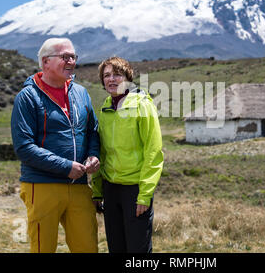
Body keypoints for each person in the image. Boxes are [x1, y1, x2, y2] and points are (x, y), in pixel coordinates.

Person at [11, 38, 100, 253]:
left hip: (78, 186)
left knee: (88, 247)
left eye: (73, 57)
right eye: (64, 57)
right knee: (44, 248)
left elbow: (92, 131)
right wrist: (65, 167)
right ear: (45, 62)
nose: (71, 62)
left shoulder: (81, 93)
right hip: (41, 185)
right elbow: (24, 147)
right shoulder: (27, 97)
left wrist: (93, 155)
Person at [91, 56, 164, 253]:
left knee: (137, 251)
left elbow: (153, 151)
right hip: (110, 189)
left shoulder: (142, 105)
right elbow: (102, 152)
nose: (111, 79)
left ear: (128, 78)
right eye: (106, 75)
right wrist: (97, 189)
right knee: (116, 248)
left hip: (135, 189)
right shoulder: (106, 107)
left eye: (117, 74)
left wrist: (145, 194)